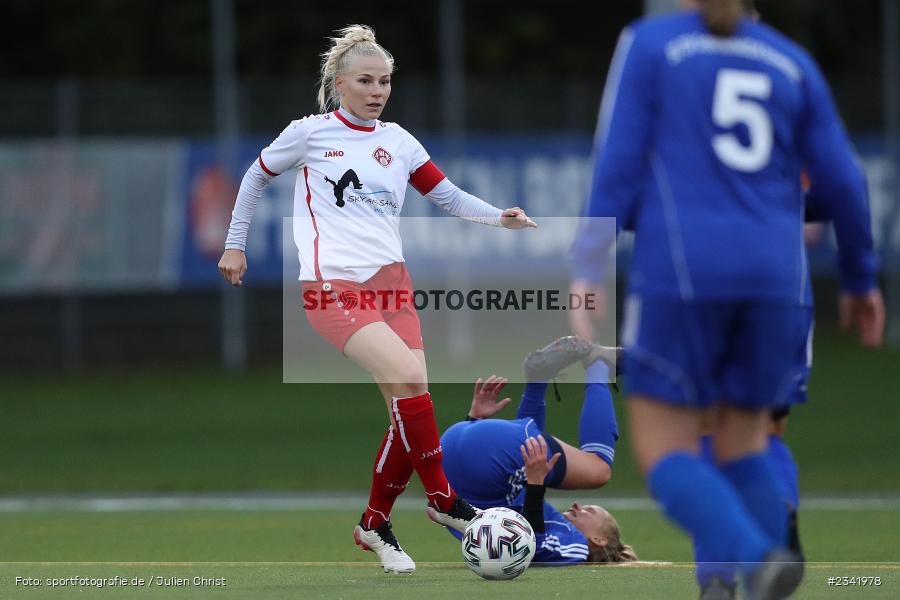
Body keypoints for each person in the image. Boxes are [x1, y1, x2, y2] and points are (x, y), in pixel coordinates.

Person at [587, 2, 884, 599]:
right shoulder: (791, 61)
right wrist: (860, 277)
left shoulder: (654, 44)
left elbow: (618, 165)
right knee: (752, 439)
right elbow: (845, 183)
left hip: (684, 274)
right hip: (779, 283)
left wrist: (586, 260)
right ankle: (767, 558)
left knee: (669, 446)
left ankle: (740, 565)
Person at [217, 24, 537, 575]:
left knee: (405, 412)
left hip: (393, 287)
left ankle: (374, 523)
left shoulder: (399, 142)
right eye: (365, 80)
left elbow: (447, 195)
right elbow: (254, 177)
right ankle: (444, 500)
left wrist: (499, 217)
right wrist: (234, 243)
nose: (377, 90)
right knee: (410, 382)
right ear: (340, 84)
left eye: (384, 81)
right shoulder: (309, 133)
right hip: (332, 286)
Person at [440, 337, 637, 564]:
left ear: (599, 539)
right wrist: (476, 426)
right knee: (530, 450)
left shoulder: (576, 548)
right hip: (454, 452)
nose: (577, 505)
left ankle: (598, 365)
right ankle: (539, 379)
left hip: (460, 462)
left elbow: (527, 544)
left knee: (599, 470)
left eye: (589, 511)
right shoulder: (555, 526)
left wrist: (535, 484)